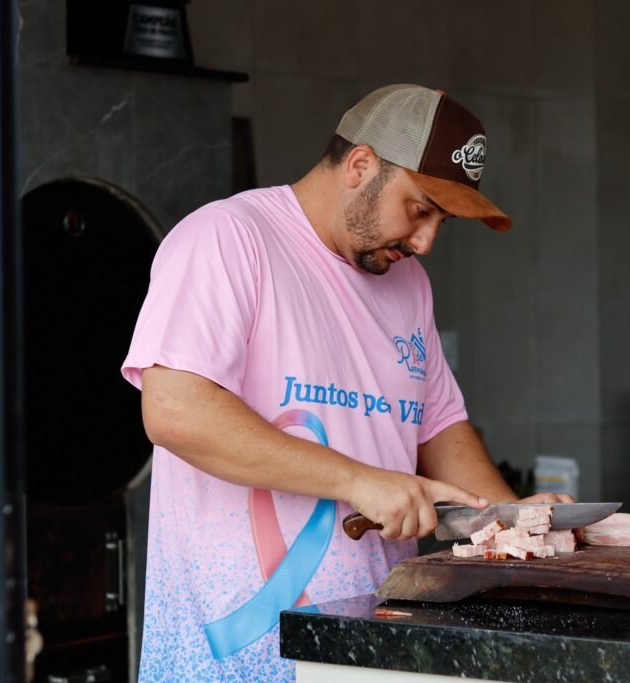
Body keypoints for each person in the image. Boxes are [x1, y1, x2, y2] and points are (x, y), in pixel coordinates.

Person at [121, 83, 574, 682]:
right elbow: (175, 410)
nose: (426, 241)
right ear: (361, 165)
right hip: (230, 659)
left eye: (440, 220)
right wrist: (358, 480)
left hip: (372, 649)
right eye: (420, 209)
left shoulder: (409, 287)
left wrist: (511, 522)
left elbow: (438, 426)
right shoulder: (229, 239)